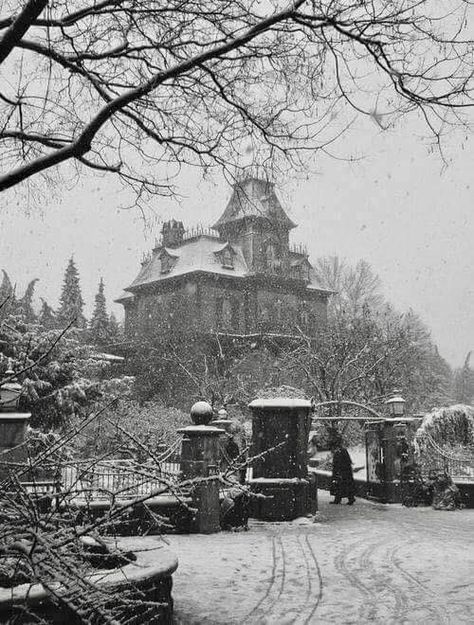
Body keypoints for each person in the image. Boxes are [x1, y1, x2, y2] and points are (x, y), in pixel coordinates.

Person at [329, 437, 356, 505]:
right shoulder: (340, 451)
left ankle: (349, 498)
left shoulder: (341, 451)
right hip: (343, 472)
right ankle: (340, 499)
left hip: (343, 472)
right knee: (340, 485)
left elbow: (344, 462)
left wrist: (339, 470)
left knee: (343, 485)